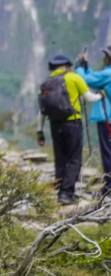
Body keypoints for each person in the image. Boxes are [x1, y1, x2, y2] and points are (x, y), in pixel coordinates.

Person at [39, 54, 101, 204]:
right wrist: (102, 95)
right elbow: (89, 98)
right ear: (67, 66)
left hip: (54, 124)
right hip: (72, 123)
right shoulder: (73, 78)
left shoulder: (46, 83)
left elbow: (42, 110)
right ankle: (67, 194)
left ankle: (60, 192)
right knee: (74, 159)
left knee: (61, 159)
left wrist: (39, 131)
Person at [76, 47, 111, 198]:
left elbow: (86, 80)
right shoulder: (107, 74)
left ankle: (109, 185)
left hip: (107, 118)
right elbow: (96, 80)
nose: (104, 58)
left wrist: (79, 68)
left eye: (107, 56)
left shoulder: (108, 73)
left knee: (108, 152)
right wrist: (87, 67)